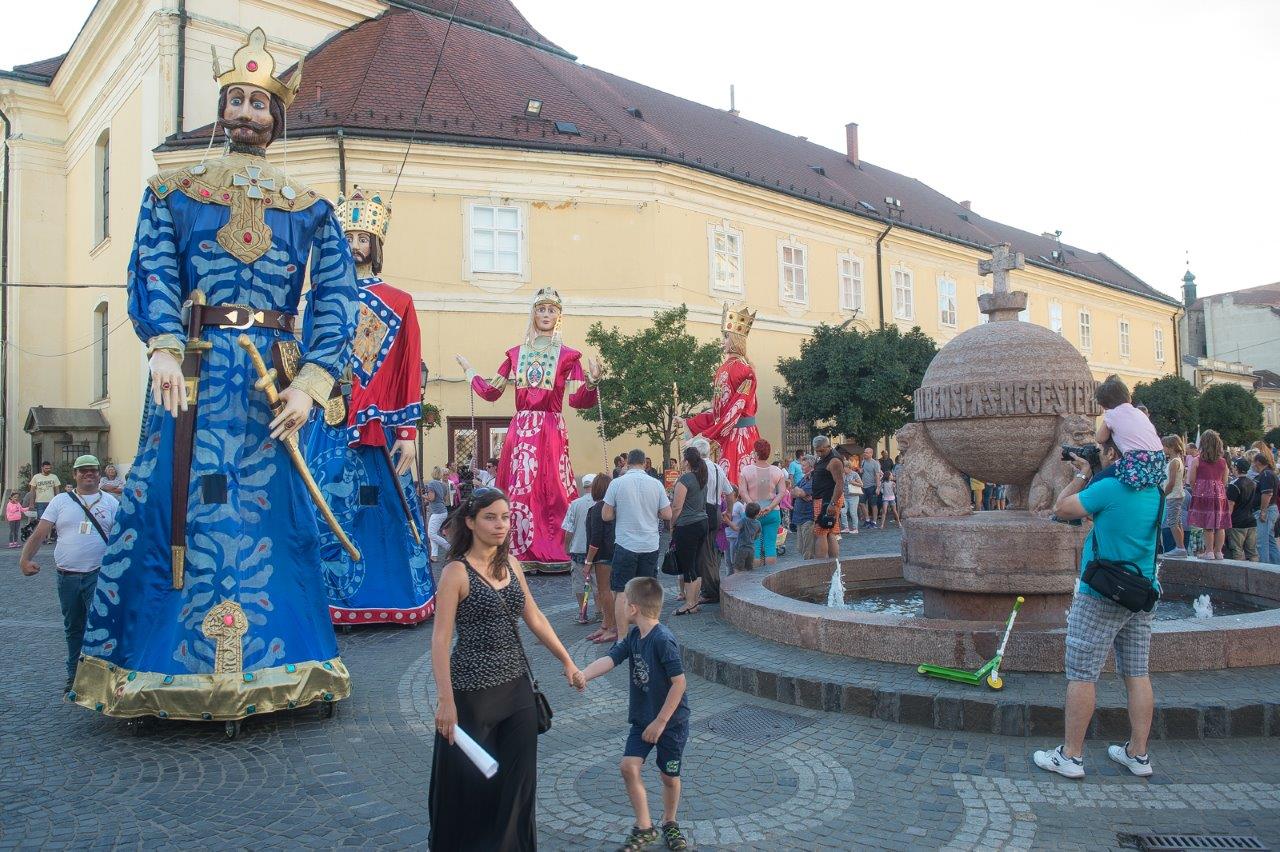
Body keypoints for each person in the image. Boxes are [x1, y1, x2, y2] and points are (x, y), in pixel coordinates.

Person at [70, 28, 359, 720]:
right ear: (221, 109)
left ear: (276, 117)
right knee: (173, 504)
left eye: (259, 103)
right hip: (195, 372)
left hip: (269, 386)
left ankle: (286, 657)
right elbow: (153, 267)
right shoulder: (171, 192)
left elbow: (337, 298)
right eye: (236, 100)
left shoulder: (310, 207)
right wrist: (163, 345)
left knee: (275, 516)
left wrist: (313, 382)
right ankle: (159, 663)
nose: (246, 113)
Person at [307, 185, 435, 627]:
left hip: (377, 425)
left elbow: (407, 367)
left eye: (364, 238)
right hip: (327, 420)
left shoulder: (399, 302)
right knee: (324, 504)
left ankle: (389, 594)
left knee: (380, 508)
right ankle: (326, 598)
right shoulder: (321, 297)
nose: (356, 245)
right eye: (348, 237)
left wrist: (408, 432)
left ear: (376, 245)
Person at [429, 488, 581, 851]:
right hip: (472, 696)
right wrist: (445, 701)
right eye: (490, 517)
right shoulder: (455, 572)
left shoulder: (512, 564)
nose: (500, 525)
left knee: (518, 785)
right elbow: (440, 639)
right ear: (470, 522)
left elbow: (535, 616)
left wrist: (567, 660)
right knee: (472, 785)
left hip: (517, 691)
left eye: (505, 517)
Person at [1032, 440, 1161, 779]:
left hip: (1102, 593)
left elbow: (1062, 508)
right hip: (1141, 591)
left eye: (1104, 448)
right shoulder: (1155, 490)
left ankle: (1071, 756)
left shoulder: (1110, 487)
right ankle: (1138, 754)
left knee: (1082, 674)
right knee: (1137, 672)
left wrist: (1081, 475)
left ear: (1114, 454)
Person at [457, 288, 602, 571]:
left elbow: (577, 399)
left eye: (552, 310)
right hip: (522, 429)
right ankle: (515, 549)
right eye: (541, 309)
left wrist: (593, 383)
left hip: (551, 427)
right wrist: (470, 371)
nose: (546, 315)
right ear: (533, 313)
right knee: (519, 489)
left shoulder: (568, 357)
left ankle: (558, 547)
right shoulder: (515, 354)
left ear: (559, 316)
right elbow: (491, 391)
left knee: (555, 487)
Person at [574, 577, 691, 852]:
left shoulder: (663, 640)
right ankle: (644, 827)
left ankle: (670, 822)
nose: (621, 603)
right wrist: (584, 674)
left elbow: (679, 683)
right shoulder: (634, 637)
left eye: (624, 599)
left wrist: (660, 722)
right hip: (642, 718)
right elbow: (610, 659)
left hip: (670, 723)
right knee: (628, 766)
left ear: (633, 608)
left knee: (669, 777)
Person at [19, 455, 120, 693]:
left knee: (101, 626)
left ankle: (102, 679)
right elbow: (41, 532)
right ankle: (74, 676)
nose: (88, 474)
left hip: (99, 575)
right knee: (73, 628)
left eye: (92, 470)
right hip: (67, 577)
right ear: (75, 475)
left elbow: (122, 539)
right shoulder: (60, 501)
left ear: (99, 474)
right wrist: (25, 559)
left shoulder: (111, 502)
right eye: (83, 470)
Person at [684, 303, 759, 486]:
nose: (722, 342)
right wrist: (693, 423)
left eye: (726, 337)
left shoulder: (743, 371)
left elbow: (734, 411)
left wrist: (705, 435)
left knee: (733, 484)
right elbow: (720, 411)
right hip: (731, 433)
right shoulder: (729, 369)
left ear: (734, 339)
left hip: (738, 436)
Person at [603, 449, 672, 634]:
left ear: (628, 463)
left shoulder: (617, 483)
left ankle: (622, 637)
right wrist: (653, 512)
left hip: (625, 543)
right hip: (649, 544)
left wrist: (620, 510)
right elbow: (667, 514)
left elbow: (606, 515)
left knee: (621, 592)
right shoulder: (656, 484)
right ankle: (647, 633)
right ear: (644, 463)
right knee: (647, 592)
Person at [1094, 375, 1167, 490]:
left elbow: (1100, 438)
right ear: (1129, 397)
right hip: (1159, 458)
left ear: (1104, 405)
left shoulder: (1111, 414)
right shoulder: (1139, 412)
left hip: (1137, 460)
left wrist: (1106, 420)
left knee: (1099, 478)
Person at [670, 447, 709, 616]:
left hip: (687, 525)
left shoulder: (685, 479)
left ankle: (689, 603)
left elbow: (677, 507)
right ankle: (695, 601)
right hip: (702, 522)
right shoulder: (702, 477)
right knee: (696, 563)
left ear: (686, 461)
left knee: (688, 565)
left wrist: (672, 525)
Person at [739, 438, 785, 566]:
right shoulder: (777, 471)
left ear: (756, 453)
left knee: (755, 546)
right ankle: (771, 573)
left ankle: (756, 576)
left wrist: (753, 506)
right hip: (772, 511)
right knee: (771, 546)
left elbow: (742, 492)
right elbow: (781, 492)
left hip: (753, 513)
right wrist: (770, 507)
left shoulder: (746, 470)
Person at [1187, 429, 1231, 560]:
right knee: (1220, 525)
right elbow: (1225, 480)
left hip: (1203, 494)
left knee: (1208, 525)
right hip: (1219, 495)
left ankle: (1209, 551)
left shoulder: (1197, 460)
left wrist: (1197, 489)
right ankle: (1218, 552)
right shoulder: (1223, 462)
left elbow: (1191, 480)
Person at [585, 474, 617, 644]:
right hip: (615, 551)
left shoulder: (597, 509)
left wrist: (588, 561)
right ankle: (606, 624)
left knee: (605, 591)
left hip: (603, 554)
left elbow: (595, 538)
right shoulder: (614, 507)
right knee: (610, 590)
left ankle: (611, 626)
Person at [562, 473, 598, 624]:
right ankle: (599, 612)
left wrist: (566, 546)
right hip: (596, 549)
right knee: (597, 582)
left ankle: (582, 613)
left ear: (584, 486)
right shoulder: (600, 503)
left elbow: (569, 529)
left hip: (578, 548)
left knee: (579, 582)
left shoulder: (575, 504)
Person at [809, 436, 845, 559]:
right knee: (830, 531)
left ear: (828, 447)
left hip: (827, 499)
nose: (819, 453)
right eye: (817, 451)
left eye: (821, 450)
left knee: (821, 532)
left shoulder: (834, 461)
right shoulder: (823, 458)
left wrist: (832, 503)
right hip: (825, 498)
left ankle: (821, 565)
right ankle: (833, 563)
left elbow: (840, 484)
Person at [1224, 459, 1258, 561]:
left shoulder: (1234, 484)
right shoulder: (1252, 483)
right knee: (1252, 553)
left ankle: (1236, 571)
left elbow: (1230, 504)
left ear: (1236, 468)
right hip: (1251, 520)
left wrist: (1226, 521)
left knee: (1236, 551)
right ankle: (1255, 570)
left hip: (1237, 522)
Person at [1250, 448, 1278, 565]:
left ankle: (1264, 568)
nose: (1252, 465)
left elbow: (1267, 493)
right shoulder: (1268, 473)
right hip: (1270, 510)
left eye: (1253, 462)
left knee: (1261, 542)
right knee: (1270, 541)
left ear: (1258, 462)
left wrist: (1263, 511)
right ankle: (1275, 566)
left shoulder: (1266, 474)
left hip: (1266, 511)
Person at [791, 457, 816, 560]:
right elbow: (792, 492)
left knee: (808, 549)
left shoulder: (813, 479)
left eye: (804, 465)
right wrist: (800, 493)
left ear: (811, 467)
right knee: (800, 548)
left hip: (808, 516)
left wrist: (799, 492)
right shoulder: (804, 478)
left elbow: (799, 493)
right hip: (799, 516)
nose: (801, 467)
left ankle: (809, 567)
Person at [29, 461, 61, 542]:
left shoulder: (54, 477)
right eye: (46, 468)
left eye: (49, 468)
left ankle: (48, 537)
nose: (48, 470)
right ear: (42, 468)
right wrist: (31, 503)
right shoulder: (36, 477)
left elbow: (57, 490)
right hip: (40, 502)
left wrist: (58, 501)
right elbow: (32, 491)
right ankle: (42, 537)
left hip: (51, 502)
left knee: (50, 520)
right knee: (41, 520)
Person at [424, 469, 450, 560]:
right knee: (433, 533)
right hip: (443, 510)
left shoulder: (431, 484)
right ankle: (434, 555)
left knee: (431, 534)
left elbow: (431, 498)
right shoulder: (443, 485)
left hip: (437, 512)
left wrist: (422, 496)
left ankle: (449, 548)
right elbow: (445, 499)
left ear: (432, 473)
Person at [733, 503, 762, 573]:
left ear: (745, 512)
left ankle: (737, 579)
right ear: (757, 514)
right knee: (749, 569)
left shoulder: (744, 520)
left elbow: (736, 528)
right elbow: (757, 536)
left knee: (738, 568)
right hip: (751, 549)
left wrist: (727, 521)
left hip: (741, 548)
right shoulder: (758, 523)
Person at [860, 448, 881, 528]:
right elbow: (862, 471)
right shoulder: (863, 461)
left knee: (873, 504)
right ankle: (867, 520)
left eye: (866, 453)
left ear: (871, 454)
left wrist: (878, 487)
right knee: (861, 503)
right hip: (863, 486)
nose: (864, 454)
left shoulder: (875, 463)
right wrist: (861, 471)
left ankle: (874, 522)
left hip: (872, 486)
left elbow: (877, 476)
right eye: (864, 452)